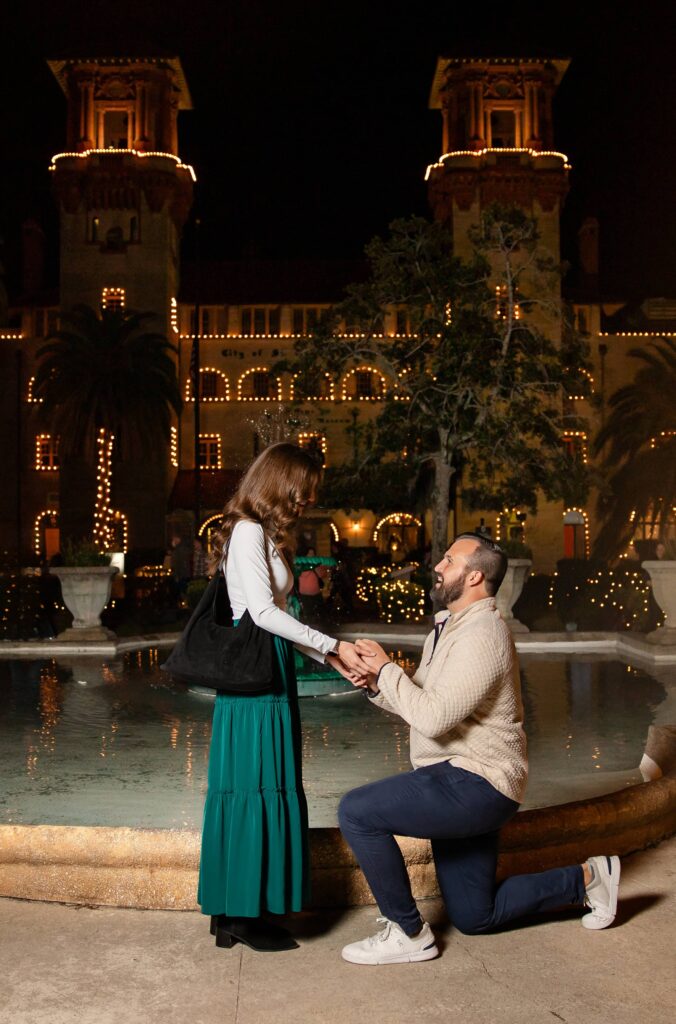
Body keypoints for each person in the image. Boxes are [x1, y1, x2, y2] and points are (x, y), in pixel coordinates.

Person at [338, 533, 621, 965]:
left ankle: (408, 932)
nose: (438, 566)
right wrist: (377, 683)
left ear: (474, 576)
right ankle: (587, 879)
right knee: (475, 915)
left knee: (357, 812)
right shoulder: (448, 628)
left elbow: (432, 719)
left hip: (477, 781)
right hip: (455, 776)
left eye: (449, 560)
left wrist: (389, 669)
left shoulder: (484, 632)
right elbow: (427, 705)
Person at [198, 442, 368, 953]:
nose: (306, 500)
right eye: (301, 490)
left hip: (272, 672)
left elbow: (277, 617)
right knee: (253, 785)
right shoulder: (248, 532)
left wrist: (327, 660)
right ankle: (239, 916)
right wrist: (333, 643)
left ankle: (241, 910)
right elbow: (262, 616)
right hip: (254, 679)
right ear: (277, 483)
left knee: (263, 783)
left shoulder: (264, 537)